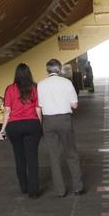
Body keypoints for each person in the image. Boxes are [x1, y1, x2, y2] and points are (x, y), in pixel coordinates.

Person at [37, 58, 84, 197]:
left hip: (49, 121)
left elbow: (40, 105)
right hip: (64, 120)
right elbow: (74, 105)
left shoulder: (41, 84)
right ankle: (78, 188)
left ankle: (60, 191)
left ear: (47, 70)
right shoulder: (67, 82)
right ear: (59, 69)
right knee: (71, 153)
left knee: (54, 156)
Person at [0, 62, 42, 199]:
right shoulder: (34, 88)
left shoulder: (10, 89)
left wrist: (2, 130)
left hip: (14, 126)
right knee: (32, 158)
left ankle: (24, 187)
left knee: (19, 157)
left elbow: (7, 110)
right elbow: (38, 109)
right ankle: (33, 192)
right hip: (32, 124)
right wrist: (39, 125)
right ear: (29, 73)